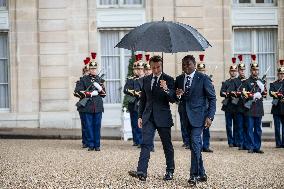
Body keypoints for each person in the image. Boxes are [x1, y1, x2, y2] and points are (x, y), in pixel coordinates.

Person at [128, 55, 176, 181]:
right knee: (146, 143)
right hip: (148, 117)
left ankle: (170, 171)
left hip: (163, 117)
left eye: (158, 67)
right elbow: (143, 99)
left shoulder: (169, 79)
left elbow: (173, 99)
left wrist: (166, 89)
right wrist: (139, 116)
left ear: (161, 66)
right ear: (150, 66)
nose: (155, 70)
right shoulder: (146, 79)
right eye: (153, 67)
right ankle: (142, 171)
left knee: (167, 145)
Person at [175, 55, 216, 185]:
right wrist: (177, 95)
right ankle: (202, 173)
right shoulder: (179, 79)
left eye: (189, 64)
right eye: (184, 65)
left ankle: (194, 175)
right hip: (185, 118)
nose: (186, 67)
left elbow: (212, 98)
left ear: (194, 64)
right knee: (194, 146)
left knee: (195, 142)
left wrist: (210, 116)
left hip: (199, 118)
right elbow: (175, 98)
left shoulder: (203, 78)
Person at [74, 52, 106, 151]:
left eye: (95, 68)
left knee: (97, 126)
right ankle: (91, 145)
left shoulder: (99, 79)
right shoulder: (84, 79)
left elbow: (104, 94)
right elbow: (78, 91)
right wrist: (90, 94)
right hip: (87, 106)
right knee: (88, 126)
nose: (93, 70)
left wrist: (100, 89)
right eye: (91, 68)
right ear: (89, 69)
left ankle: (97, 145)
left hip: (98, 106)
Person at [242, 54, 266, 154]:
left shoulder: (261, 82)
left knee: (258, 130)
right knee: (249, 129)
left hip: (259, 108)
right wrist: (253, 95)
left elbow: (265, 94)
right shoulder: (246, 82)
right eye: (253, 70)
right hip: (250, 108)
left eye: (257, 70)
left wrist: (261, 93)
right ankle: (251, 146)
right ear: (251, 71)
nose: (255, 71)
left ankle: (257, 147)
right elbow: (244, 95)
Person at [123, 54, 143, 148]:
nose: (138, 71)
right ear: (134, 70)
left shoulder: (145, 79)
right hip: (133, 103)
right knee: (134, 123)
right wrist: (136, 93)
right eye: (137, 69)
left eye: (140, 69)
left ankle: (141, 141)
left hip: (142, 104)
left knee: (141, 123)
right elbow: (125, 89)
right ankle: (136, 140)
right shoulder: (131, 79)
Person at [196, 54, 213, 153]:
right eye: (199, 71)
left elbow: (211, 96)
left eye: (203, 71)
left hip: (205, 106)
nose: (201, 72)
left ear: (205, 71)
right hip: (197, 107)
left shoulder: (208, 80)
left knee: (206, 128)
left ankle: (205, 145)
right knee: (196, 129)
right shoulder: (195, 80)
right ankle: (197, 145)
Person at [220, 57, 238, 147]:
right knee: (228, 125)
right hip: (228, 105)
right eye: (232, 71)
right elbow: (221, 93)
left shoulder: (239, 82)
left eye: (235, 71)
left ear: (236, 72)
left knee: (236, 125)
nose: (233, 72)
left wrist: (234, 93)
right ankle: (230, 141)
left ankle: (235, 141)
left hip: (236, 105)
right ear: (229, 72)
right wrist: (228, 93)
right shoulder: (226, 82)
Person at [74, 57, 90, 148]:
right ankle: (85, 141)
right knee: (85, 124)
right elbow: (76, 92)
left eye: (89, 70)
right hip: (83, 105)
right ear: (84, 72)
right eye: (86, 71)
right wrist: (84, 93)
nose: (88, 72)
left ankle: (91, 141)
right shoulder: (80, 81)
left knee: (91, 125)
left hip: (92, 105)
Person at [269, 60, 284, 148]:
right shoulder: (273, 84)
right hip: (277, 107)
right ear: (278, 74)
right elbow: (271, 93)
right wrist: (278, 94)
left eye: (283, 74)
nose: (282, 75)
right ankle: (278, 143)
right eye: (280, 73)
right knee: (277, 127)